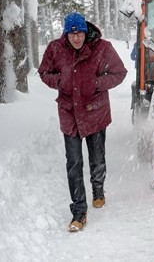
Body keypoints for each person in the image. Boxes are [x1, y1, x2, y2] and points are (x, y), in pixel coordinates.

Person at [38, 12, 127, 232]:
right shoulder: (55, 49)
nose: (76, 38)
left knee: (97, 157)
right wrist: (59, 81)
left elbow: (119, 73)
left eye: (79, 33)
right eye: (72, 33)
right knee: (74, 162)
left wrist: (97, 83)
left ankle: (98, 189)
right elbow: (44, 72)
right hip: (69, 113)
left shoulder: (102, 48)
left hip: (94, 110)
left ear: (85, 32)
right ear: (66, 33)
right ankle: (79, 211)